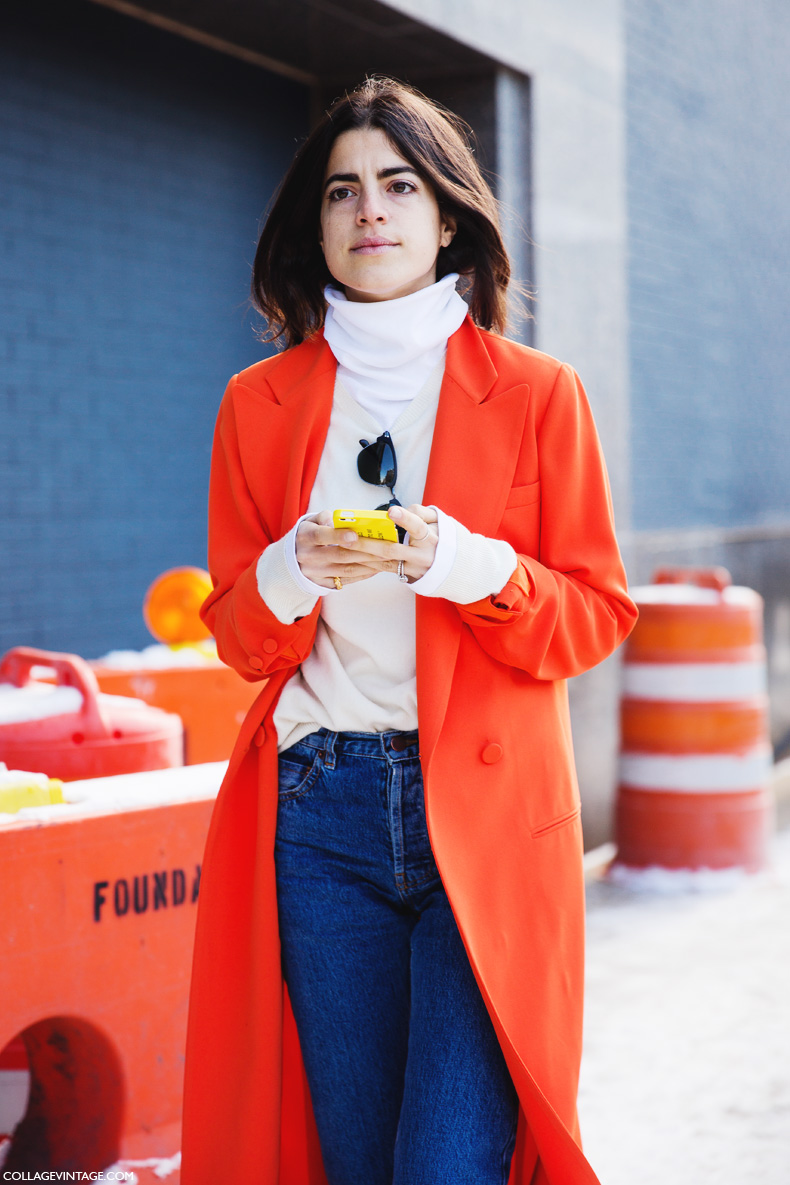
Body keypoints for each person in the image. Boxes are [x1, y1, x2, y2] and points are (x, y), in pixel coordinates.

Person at [181, 77, 637, 1185]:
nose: (368, 210)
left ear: (446, 218)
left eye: (397, 184)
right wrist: (291, 569)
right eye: (342, 191)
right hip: (318, 815)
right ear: (317, 224)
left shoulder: (538, 393)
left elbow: (594, 615)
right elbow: (239, 636)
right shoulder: (259, 401)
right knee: (352, 1154)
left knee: (445, 1159)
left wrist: (466, 563)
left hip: (481, 815)